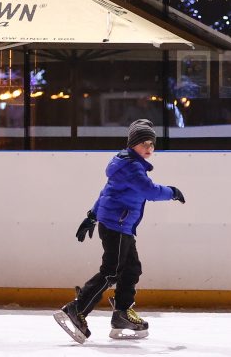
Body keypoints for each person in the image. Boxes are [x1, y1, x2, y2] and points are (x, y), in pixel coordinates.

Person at [54, 119, 185, 344]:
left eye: (152, 144)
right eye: (144, 143)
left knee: (131, 269)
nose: (149, 148)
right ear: (132, 143)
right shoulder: (131, 167)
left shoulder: (126, 163)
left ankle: (122, 314)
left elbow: (107, 193)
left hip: (121, 225)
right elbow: (149, 191)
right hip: (117, 225)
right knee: (111, 272)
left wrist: (92, 216)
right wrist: (172, 191)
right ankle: (77, 309)